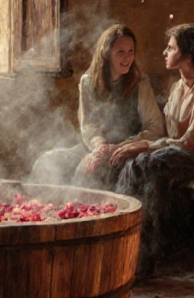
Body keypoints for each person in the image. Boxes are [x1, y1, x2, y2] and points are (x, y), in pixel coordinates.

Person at [110, 23, 194, 276]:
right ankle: (124, 247)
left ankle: (144, 257)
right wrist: (138, 146)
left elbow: (189, 143)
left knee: (150, 162)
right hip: (180, 153)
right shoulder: (178, 87)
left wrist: (146, 145)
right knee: (134, 163)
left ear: (189, 54)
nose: (164, 52)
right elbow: (169, 136)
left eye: (171, 48)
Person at [28, 24, 164, 186]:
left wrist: (120, 147)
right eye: (120, 52)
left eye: (131, 51)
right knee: (47, 162)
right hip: (95, 146)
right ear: (106, 53)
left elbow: (155, 126)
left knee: (86, 171)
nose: (127, 58)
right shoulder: (88, 81)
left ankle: (78, 202)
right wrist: (99, 147)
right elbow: (89, 124)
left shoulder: (140, 82)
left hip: (126, 149)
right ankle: (43, 202)